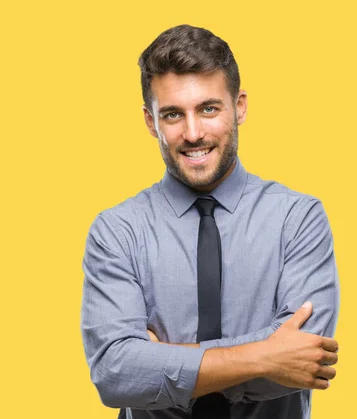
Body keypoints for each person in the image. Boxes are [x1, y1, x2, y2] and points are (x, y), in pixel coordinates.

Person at [80, 24, 340, 419]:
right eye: (172, 114)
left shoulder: (297, 218)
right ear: (151, 122)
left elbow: (306, 359)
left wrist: (159, 360)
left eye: (208, 108)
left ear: (240, 107)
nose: (193, 132)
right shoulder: (117, 231)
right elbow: (116, 374)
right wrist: (267, 354)